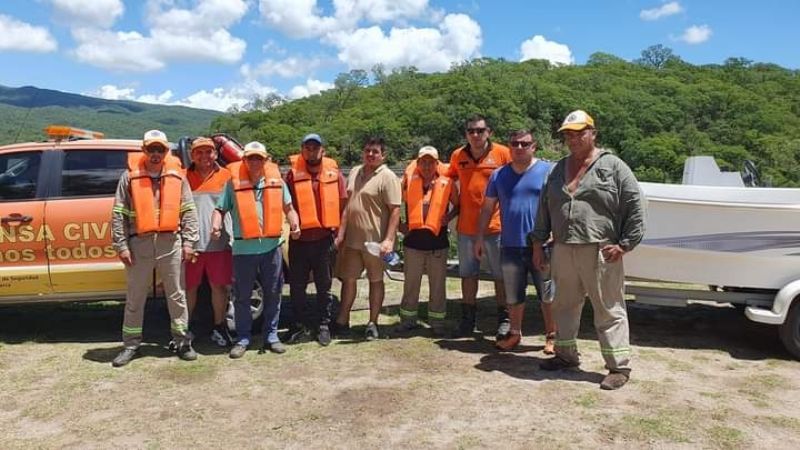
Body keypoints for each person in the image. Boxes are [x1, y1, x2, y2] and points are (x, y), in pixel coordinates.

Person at [532, 110, 645, 390]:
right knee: (564, 305)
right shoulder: (557, 169)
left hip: (601, 250)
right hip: (562, 247)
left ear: (593, 133)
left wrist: (625, 244)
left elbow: (635, 205)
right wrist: (537, 242)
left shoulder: (614, 166)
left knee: (608, 307)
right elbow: (544, 207)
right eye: (568, 134)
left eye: (579, 132)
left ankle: (618, 367)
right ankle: (565, 355)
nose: (573, 139)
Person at [110, 129, 199, 367]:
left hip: (171, 243)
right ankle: (130, 345)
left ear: (166, 152)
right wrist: (121, 245)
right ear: (144, 150)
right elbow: (118, 214)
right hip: (139, 244)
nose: (156, 154)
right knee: (135, 297)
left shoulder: (178, 177)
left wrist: (190, 242)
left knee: (177, 296)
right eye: (152, 149)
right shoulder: (128, 178)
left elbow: (189, 211)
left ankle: (182, 342)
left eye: (160, 149)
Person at [211, 141, 301, 359]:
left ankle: (271, 336)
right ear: (244, 160)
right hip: (243, 250)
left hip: (272, 248)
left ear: (265, 160)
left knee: (273, 293)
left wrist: (295, 224)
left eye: (258, 158)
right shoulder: (233, 185)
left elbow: (288, 208)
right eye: (250, 158)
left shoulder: (276, 182)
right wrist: (216, 225)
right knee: (242, 297)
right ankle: (243, 338)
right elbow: (220, 209)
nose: (254, 162)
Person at [476, 130, 556, 352]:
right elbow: (487, 209)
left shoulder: (548, 171)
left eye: (524, 144)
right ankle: (515, 334)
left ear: (534, 146)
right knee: (513, 295)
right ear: (509, 147)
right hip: (510, 244)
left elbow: (559, 206)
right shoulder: (498, 175)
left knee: (547, 294)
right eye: (515, 144)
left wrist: (556, 234)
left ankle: (552, 336)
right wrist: (479, 237)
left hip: (542, 244)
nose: (519, 148)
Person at [447, 114, 511, 338]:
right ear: (466, 134)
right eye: (471, 131)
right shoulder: (458, 155)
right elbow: (446, 179)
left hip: (496, 226)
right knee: (468, 274)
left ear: (489, 132)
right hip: (467, 227)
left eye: (480, 130)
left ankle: (504, 319)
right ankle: (467, 320)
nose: (476, 135)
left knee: (500, 275)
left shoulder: (503, 153)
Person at [334, 136, 402, 340]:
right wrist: (341, 233)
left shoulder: (388, 177)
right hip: (352, 241)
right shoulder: (355, 171)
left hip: (376, 243)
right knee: (348, 280)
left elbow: (395, 211)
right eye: (367, 151)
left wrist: (389, 240)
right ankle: (342, 319)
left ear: (383, 155)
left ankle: (372, 323)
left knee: (375, 281)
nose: (370, 155)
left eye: (375, 152)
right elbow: (347, 206)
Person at [284, 133, 347, 347]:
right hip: (299, 241)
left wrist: (339, 235)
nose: (312, 151)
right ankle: (299, 325)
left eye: (315, 148)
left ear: (323, 151)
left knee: (324, 286)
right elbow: (285, 204)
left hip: (324, 240)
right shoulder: (291, 176)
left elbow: (343, 206)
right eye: (308, 148)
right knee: (297, 286)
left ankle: (323, 325)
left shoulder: (335, 174)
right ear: (302, 150)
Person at [396, 146, 457, 336]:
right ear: (418, 162)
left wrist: (449, 216)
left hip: (438, 244)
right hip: (413, 243)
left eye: (431, 161)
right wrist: (399, 225)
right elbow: (393, 204)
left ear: (437, 163)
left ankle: (437, 322)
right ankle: (408, 320)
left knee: (437, 285)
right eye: (423, 161)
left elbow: (459, 204)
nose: (427, 165)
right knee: (411, 284)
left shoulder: (446, 182)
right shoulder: (406, 181)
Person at [184, 137, 233, 347]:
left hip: (219, 244)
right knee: (188, 288)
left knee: (219, 287)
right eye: (199, 152)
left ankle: (219, 327)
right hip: (191, 244)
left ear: (215, 154)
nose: (204, 156)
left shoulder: (227, 176)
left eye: (208, 152)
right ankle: (184, 329)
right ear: (191, 155)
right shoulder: (183, 177)